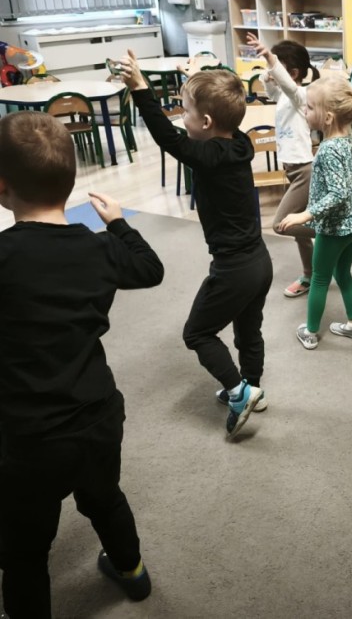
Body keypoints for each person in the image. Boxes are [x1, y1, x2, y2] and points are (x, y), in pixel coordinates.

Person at [0, 110, 164, 617]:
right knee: (105, 498)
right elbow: (150, 269)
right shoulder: (101, 249)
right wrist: (117, 222)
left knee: (25, 548)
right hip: (98, 416)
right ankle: (132, 573)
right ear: (71, 182)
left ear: (2, 187)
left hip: (29, 437)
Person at [120, 51, 272, 436]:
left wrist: (140, 90)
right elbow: (214, 106)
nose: (180, 118)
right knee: (248, 331)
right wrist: (197, 76)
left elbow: (167, 137)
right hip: (260, 261)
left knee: (197, 333)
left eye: (185, 112)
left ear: (206, 122)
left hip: (233, 268)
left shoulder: (207, 155)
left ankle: (239, 391)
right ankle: (253, 386)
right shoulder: (239, 142)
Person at [277, 77, 352, 350]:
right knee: (343, 274)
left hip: (334, 228)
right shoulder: (349, 142)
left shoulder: (329, 150)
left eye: (309, 107)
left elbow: (338, 193)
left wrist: (305, 215)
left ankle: (309, 331)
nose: (304, 111)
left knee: (319, 278)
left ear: (328, 117)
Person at [247, 32, 320, 298]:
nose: (272, 70)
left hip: (304, 171)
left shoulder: (302, 95)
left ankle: (333, 232)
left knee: (281, 224)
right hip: (292, 169)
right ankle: (310, 275)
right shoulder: (286, 97)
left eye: (277, 67)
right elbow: (274, 92)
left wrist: (270, 58)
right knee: (300, 232)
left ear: (294, 73)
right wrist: (267, 77)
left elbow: (288, 87)